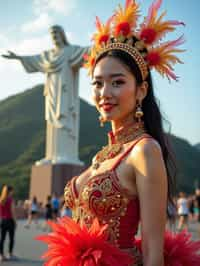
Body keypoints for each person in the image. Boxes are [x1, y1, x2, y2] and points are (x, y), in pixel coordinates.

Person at [38, 1, 200, 265]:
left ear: (141, 91)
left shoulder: (144, 150)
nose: (105, 93)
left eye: (118, 82)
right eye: (98, 83)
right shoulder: (103, 154)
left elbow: (152, 249)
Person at [2, 25, 88, 165]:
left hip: (65, 93)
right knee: (52, 123)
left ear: (62, 34)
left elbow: (87, 51)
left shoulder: (70, 51)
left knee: (65, 121)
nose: (54, 36)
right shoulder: (48, 55)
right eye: (52, 33)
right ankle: (51, 155)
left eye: (56, 33)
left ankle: (67, 155)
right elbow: (34, 59)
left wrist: (102, 42)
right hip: (52, 93)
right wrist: (18, 57)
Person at [0, 185, 16, 261]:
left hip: (3, 220)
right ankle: (10, 254)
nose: (13, 192)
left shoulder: (1, 200)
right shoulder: (10, 200)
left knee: (2, 239)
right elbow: (12, 212)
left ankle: (1, 255)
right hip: (10, 221)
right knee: (11, 238)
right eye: (12, 191)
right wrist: (15, 222)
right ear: (9, 191)